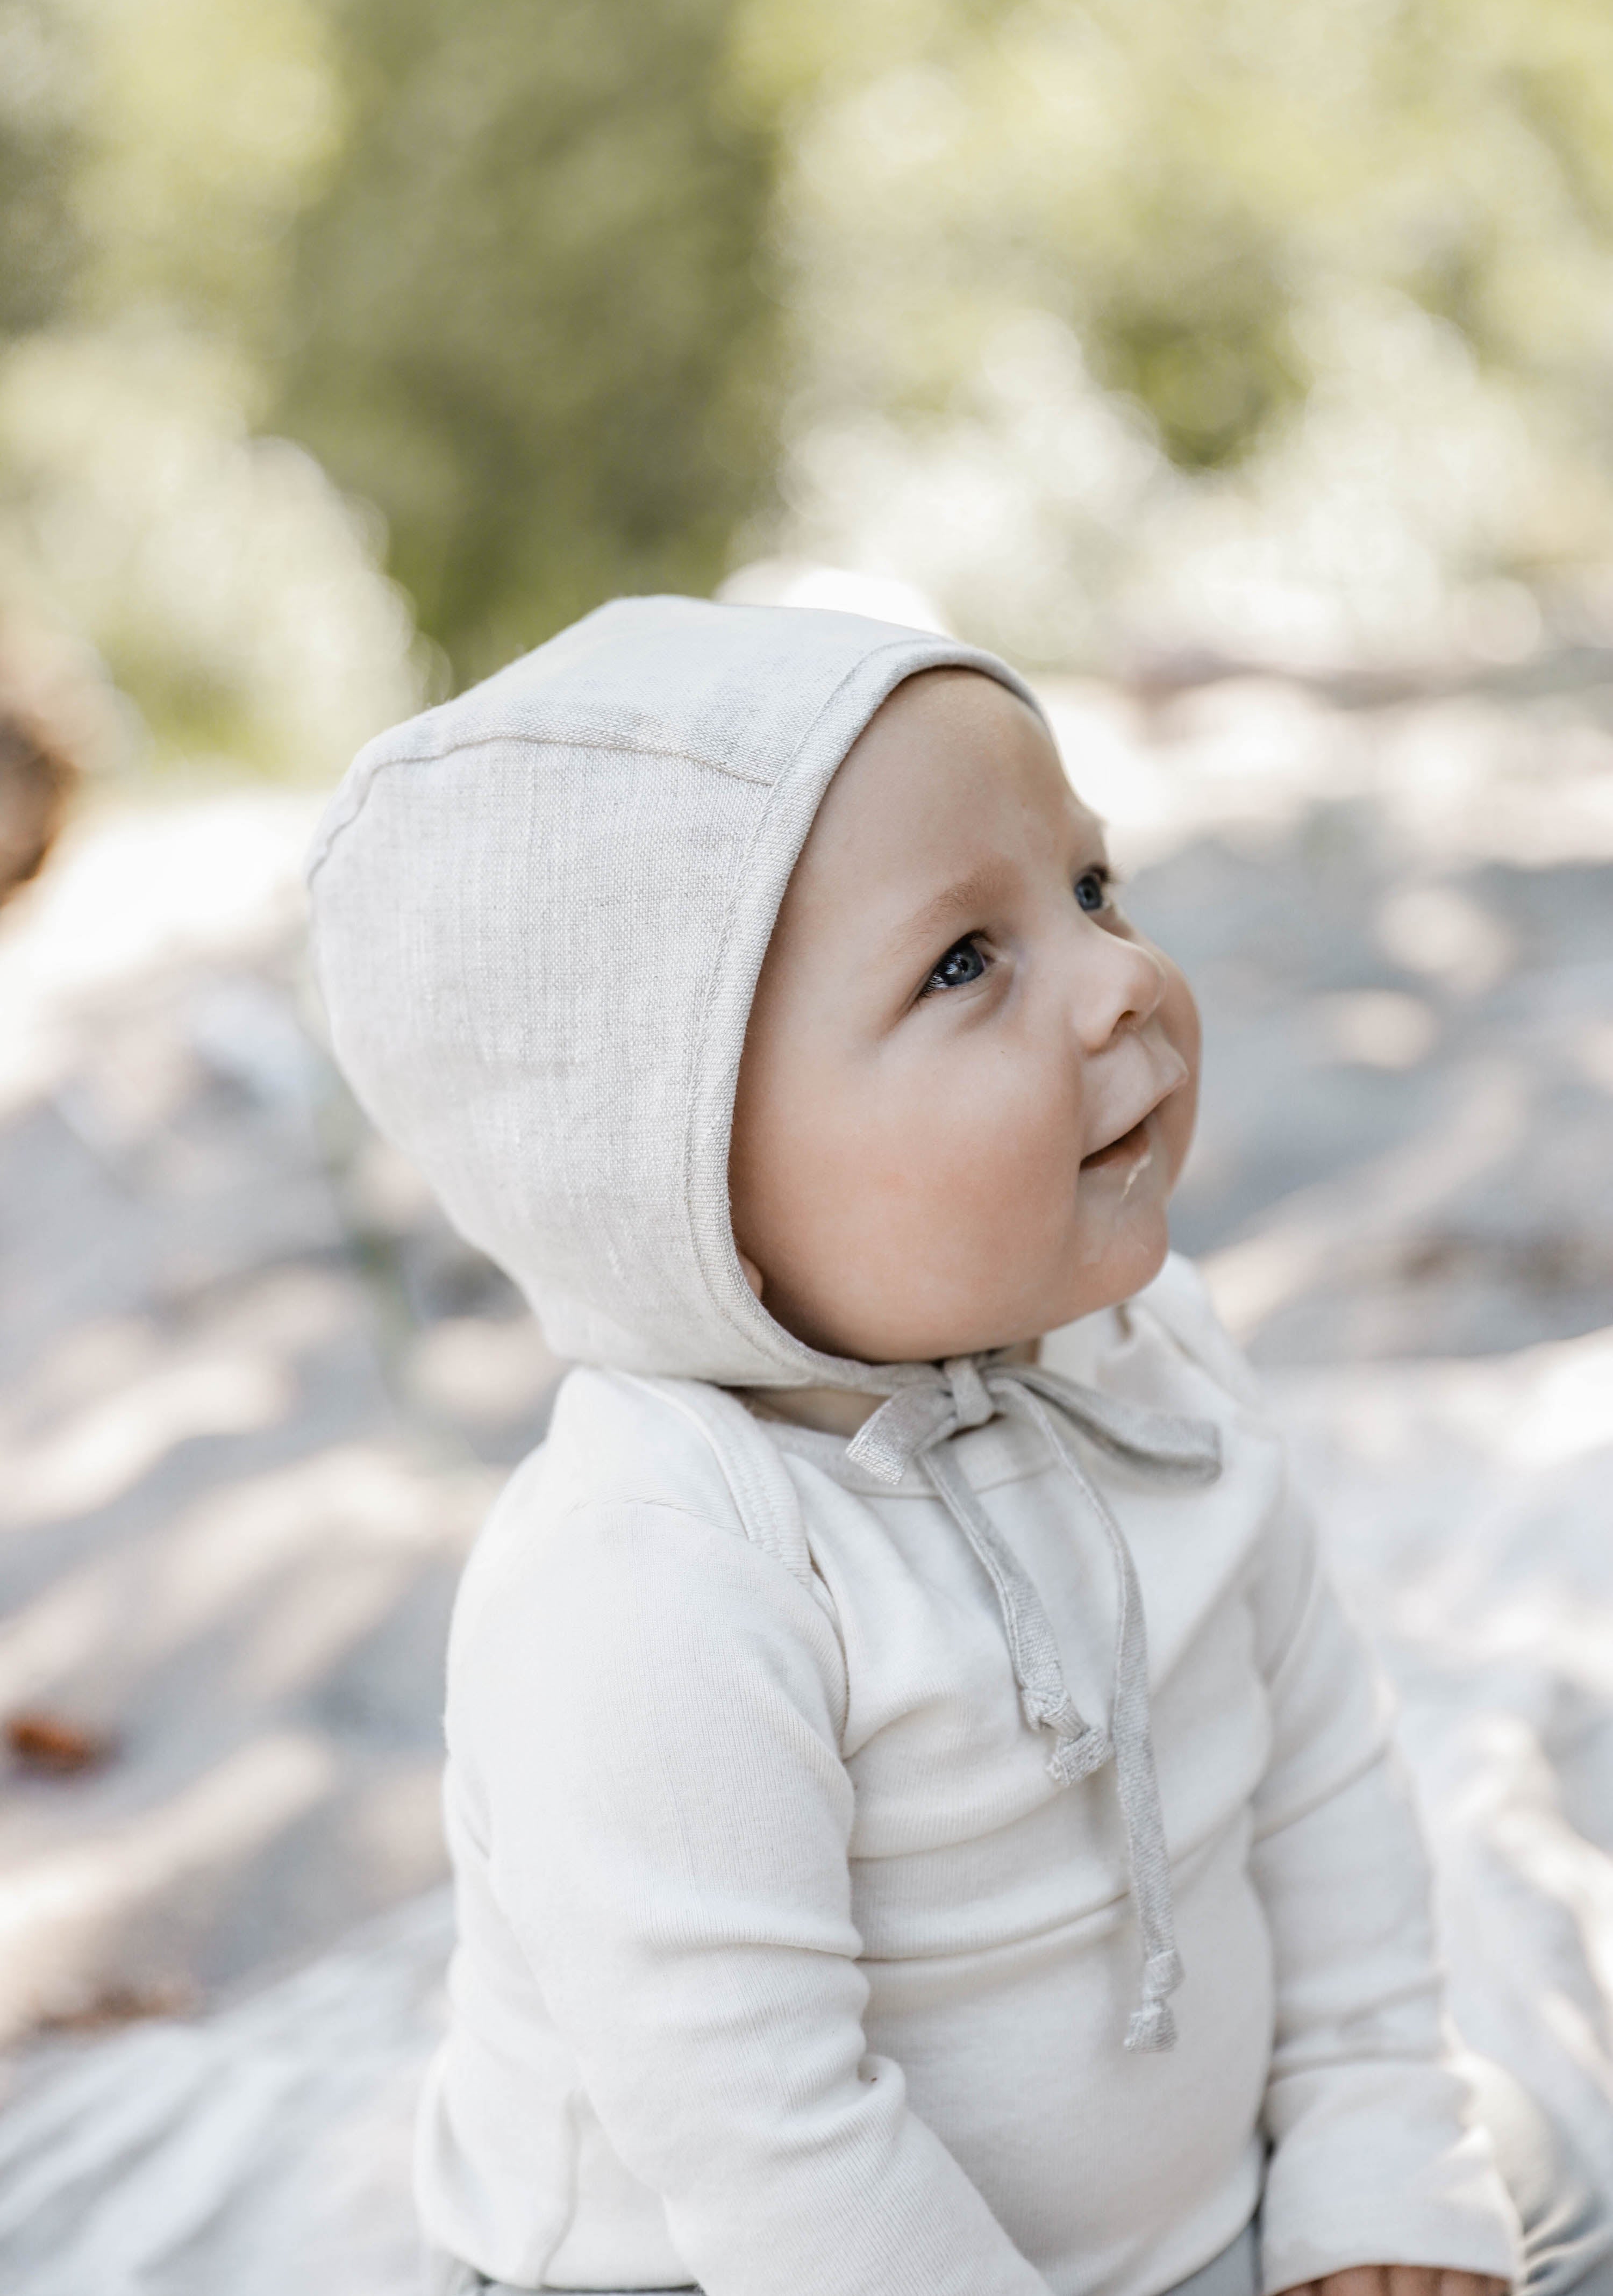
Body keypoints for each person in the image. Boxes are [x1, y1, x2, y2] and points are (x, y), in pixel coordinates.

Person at [307, 597, 1608, 2296]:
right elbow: (769, 2133)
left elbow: (1320, 1773)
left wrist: (1372, 2124)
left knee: (1517, 2171)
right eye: (964, 964)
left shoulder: (1155, 1360)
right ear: (678, 1174)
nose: (1121, 978)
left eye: (1088, 888)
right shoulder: (655, 1573)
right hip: (758, 2259)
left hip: (1183, 2213)